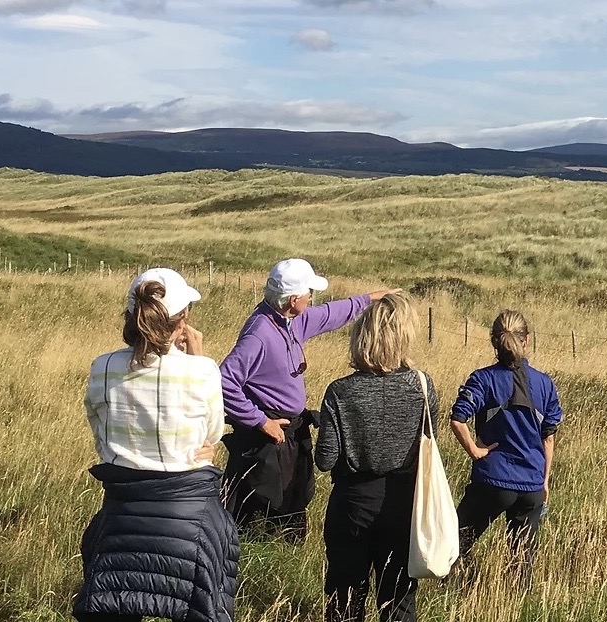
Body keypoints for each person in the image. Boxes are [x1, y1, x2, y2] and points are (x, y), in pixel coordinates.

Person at [73, 268, 239, 622]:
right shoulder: (204, 370)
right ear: (183, 322)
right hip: (190, 516)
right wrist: (197, 357)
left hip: (122, 511)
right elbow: (212, 434)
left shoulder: (102, 367)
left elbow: (100, 433)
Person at [220, 257, 399, 540]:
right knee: (261, 514)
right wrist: (260, 422)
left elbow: (332, 313)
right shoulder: (260, 334)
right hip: (266, 440)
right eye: (308, 293)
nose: (312, 298)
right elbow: (224, 380)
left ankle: (285, 549)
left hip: (287, 434)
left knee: (292, 505)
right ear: (293, 300)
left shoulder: (292, 321)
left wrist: (371, 298)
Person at [315, 292, 433, 622]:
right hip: (402, 502)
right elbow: (427, 445)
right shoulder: (423, 386)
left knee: (345, 598)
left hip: (352, 503)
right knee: (398, 601)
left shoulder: (340, 391)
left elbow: (325, 459)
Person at [449, 309, 563, 580]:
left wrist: (475, 451)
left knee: (453, 546)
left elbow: (457, 419)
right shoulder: (544, 384)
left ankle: (454, 597)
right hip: (531, 485)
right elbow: (549, 437)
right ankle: (516, 606)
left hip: (493, 481)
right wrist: (544, 481)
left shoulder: (483, 379)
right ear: (527, 340)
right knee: (522, 565)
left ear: (493, 341)